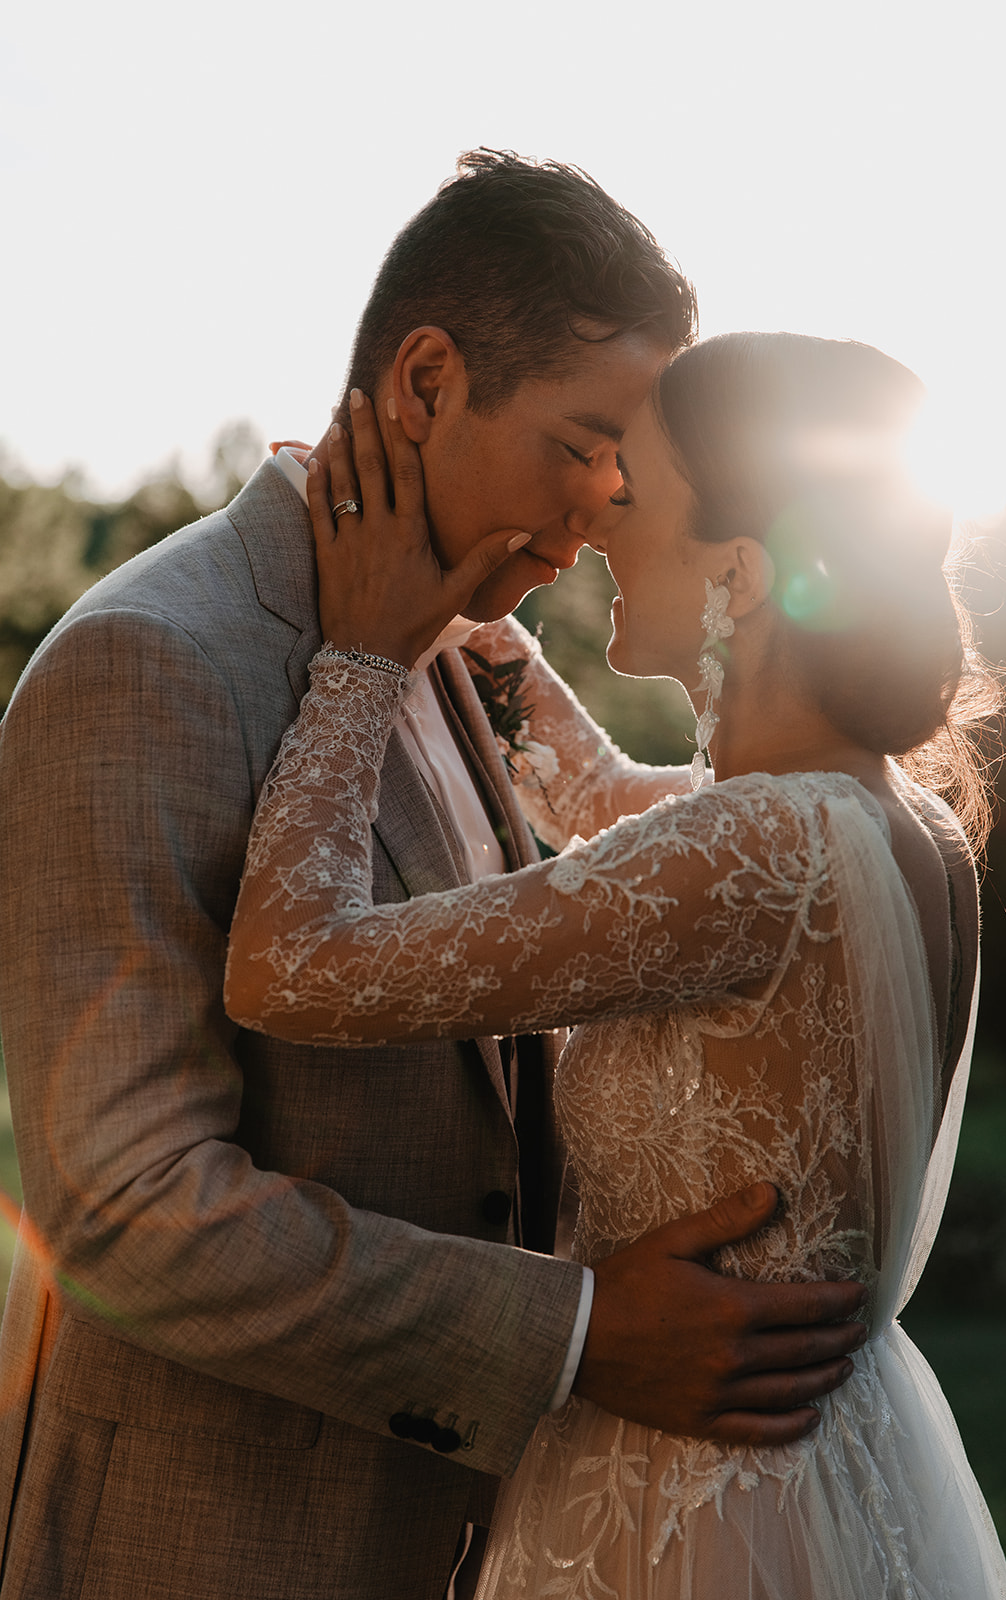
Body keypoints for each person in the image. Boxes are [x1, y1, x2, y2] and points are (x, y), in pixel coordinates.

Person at [0, 155, 865, 1600]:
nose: (602, 511)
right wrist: (578, 1333)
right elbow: (129, 1207)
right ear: (423, 383)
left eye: (622, 466)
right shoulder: (149, 664)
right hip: (218, 1545)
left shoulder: (452, 641)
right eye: (581, 442)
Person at [224, 331, 1006, 1598]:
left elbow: (290, 966)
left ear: (741, 575)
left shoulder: (753, 844)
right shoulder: (890, 822)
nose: (591, 520)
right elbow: (606, 800)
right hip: (825, 1480)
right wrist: (478, 625)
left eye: (631, 491)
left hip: (688, 1523)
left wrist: (364, 651)